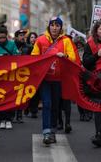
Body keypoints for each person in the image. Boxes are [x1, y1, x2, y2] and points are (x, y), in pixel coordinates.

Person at [31, 16, 77, 145]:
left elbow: (72, 58)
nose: (55, 28)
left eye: (57, 25)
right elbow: (33, 57)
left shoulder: (66, 41)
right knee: (46, 103)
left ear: (60, 27)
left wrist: (65, 56)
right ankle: (46, 132)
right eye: (52, 25)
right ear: (49, 26)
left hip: (59, 79)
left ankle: (52, 131)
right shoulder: (40, 40)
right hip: (45, 78)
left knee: (55, 106)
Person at [83, 20, 101, 147]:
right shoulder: (90, 44)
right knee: (99, 107)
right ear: (96, 31)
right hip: (98, 80)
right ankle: (99, 135)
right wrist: (97, 54)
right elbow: (85, 62)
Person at [0, 24, 19, 129]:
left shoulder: (12, 44)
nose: (2, 39)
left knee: (10, 97)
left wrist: (9, 57)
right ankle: (2, 119)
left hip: (9, 75)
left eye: (4, 37)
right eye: (0, 37)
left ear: (6, 36)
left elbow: (17, 57)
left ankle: (9, 119)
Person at [24, 32, 40, 118]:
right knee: (28, 91)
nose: (33, 39)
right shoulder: (26, 48)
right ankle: (27, 108)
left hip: (37, 73)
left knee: (36, 92)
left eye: (34, 37)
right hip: (28, 73)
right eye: (31, 37)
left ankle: (34, 110)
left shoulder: (39, 47)